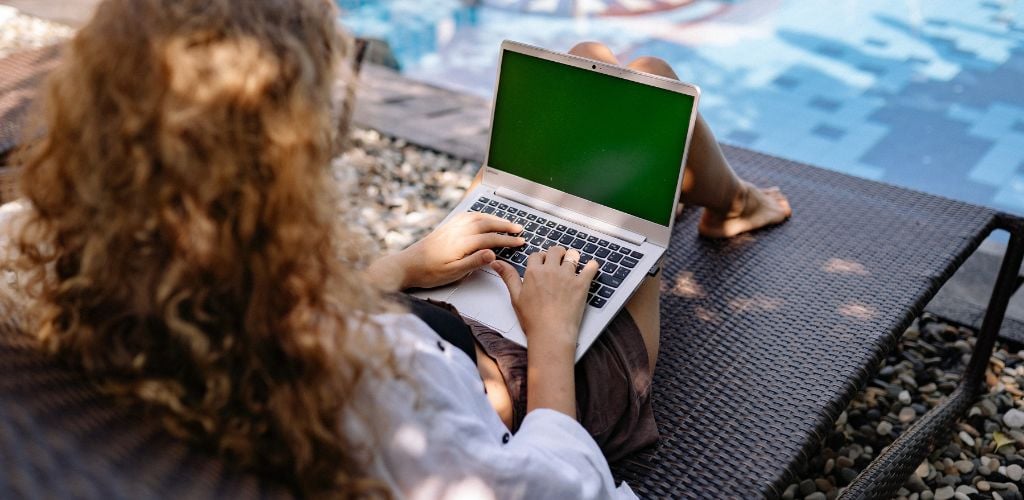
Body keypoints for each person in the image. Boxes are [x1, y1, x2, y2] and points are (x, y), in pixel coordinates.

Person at [0, 1, 790, 498]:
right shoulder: (360, 375)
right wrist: (551, 338)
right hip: (536, 388)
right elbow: (557, 488)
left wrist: (396, 269)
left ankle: (715, 199)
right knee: (643, 79)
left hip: (435, 324)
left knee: (596, 67)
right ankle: (733, 204)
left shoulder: (38, 254)